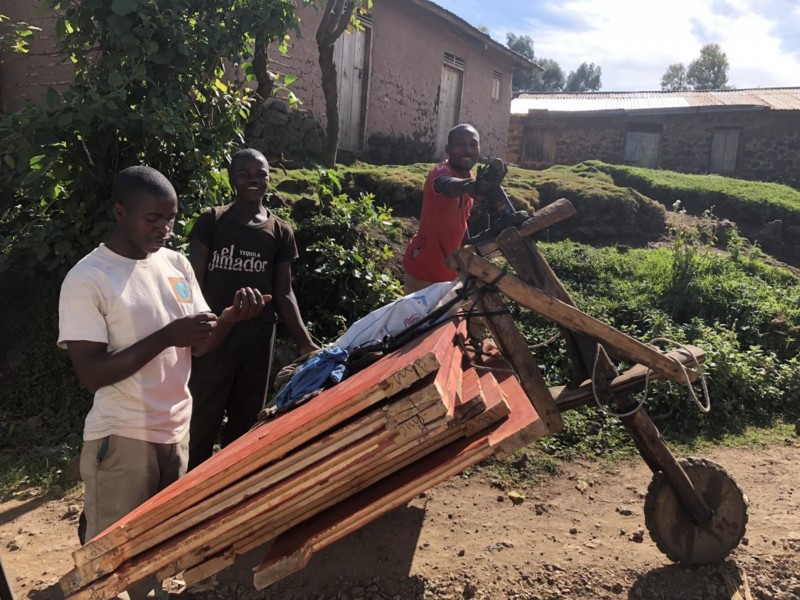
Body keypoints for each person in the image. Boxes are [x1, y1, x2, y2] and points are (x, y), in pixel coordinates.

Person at [58, 165, 268, 599]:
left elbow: (199, 345)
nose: (164, 229)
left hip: (175, 430)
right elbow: (90, 373)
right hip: (123, 435)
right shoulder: (89, 278)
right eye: (152, 218)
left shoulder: (175, 265)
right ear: (121, 212)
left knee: (158, 546)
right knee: (112, 558)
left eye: (170, 218)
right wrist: (166, 337)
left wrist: (230, 318)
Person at [187, 148, 319, 470]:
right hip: (214, 335)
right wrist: (194, 329)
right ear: (232, 178)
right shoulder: (212, 221)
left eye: (260, 174)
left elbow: (284, 292)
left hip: (258, 339)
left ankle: (232, 484)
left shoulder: (280, 231)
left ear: (269, 179)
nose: (253, 180)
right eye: (244, 174)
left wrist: (305, 342)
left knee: (245, 420)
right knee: (202, 417)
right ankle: (188, 486)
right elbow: (193, 282)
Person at [402, 124, 482, 295]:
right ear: (448, 149)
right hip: (424, 271)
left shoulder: (469, 178)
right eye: (460, 144)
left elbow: (463, 220)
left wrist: (471, 253)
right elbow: (446, 185)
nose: (467, 150)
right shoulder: (440, 172)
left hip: (450, 271)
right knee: (420, 314)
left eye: (473, 144)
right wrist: (470, 186)